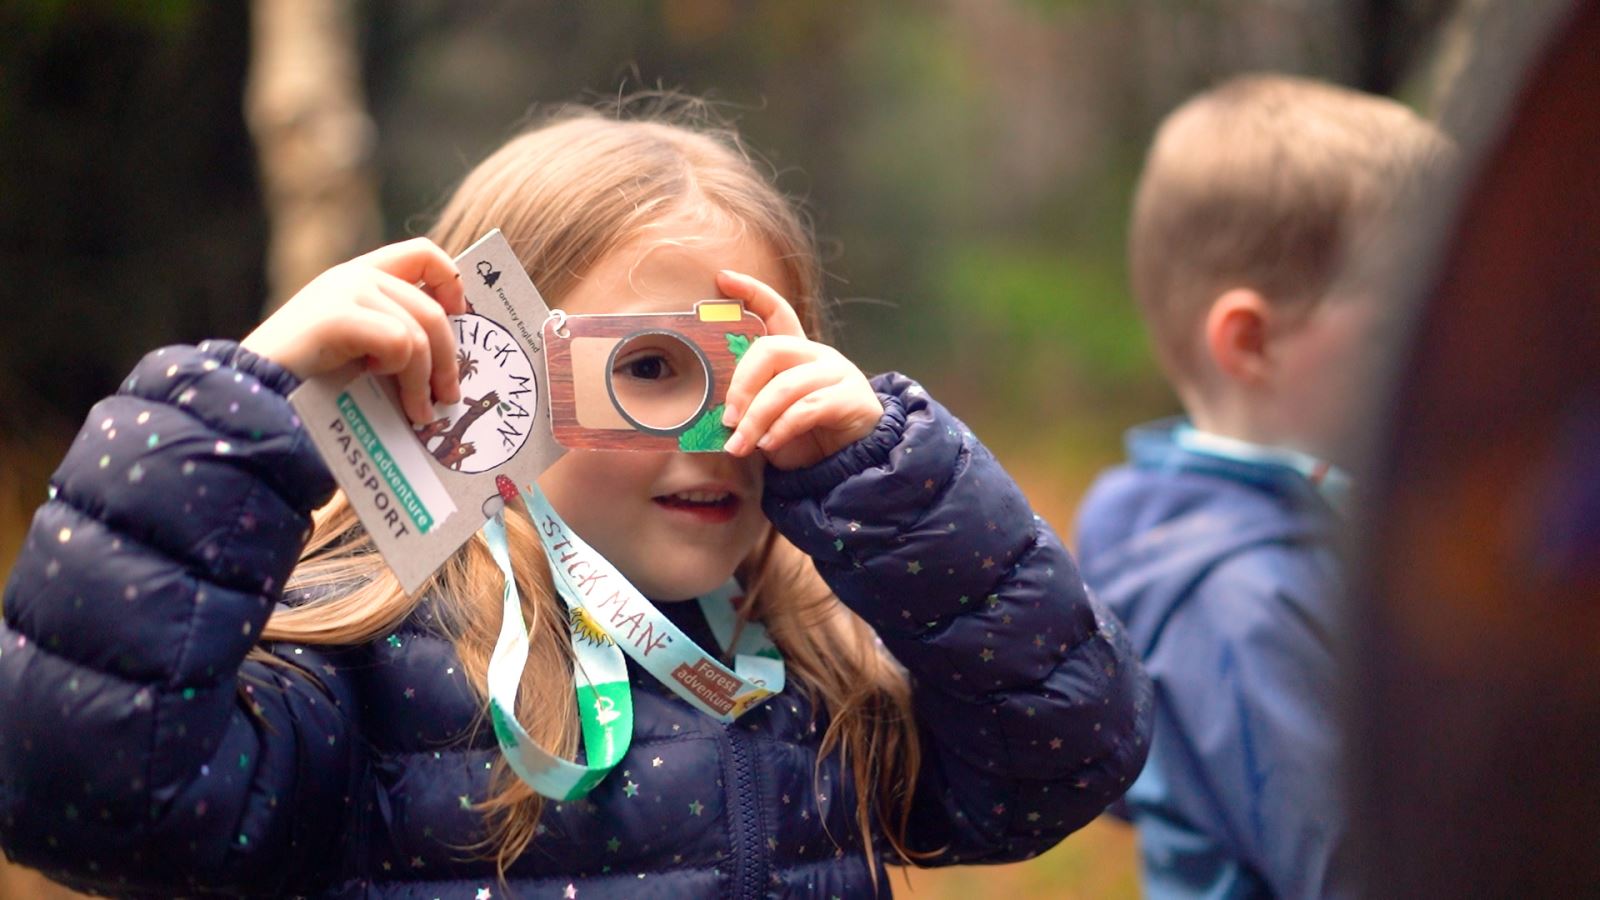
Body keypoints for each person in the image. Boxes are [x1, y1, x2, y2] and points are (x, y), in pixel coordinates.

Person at [0, 99, 1151, 898]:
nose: (717, 433)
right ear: (480, 374)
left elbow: (1064, 757)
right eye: (647, 367)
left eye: (747, 369)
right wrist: (239, 412)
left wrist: (891, 476)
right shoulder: (358, 673)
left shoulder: (820, 665)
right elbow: (84, 791)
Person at [1073, 74, 1453, 899]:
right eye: (1405, 323)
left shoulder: (1280, 537)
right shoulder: (1242, 602)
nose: (1441, 350)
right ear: (1251, 344)